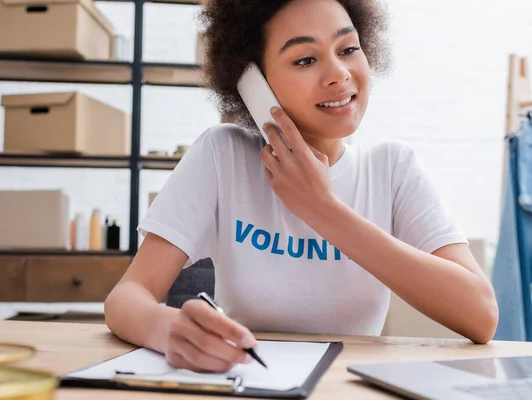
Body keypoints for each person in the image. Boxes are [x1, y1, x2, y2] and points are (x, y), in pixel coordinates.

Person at [104, 0, 499, 373]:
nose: (339, 74)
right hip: (250, 381)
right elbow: (126, 297)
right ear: (251, 81)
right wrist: (166, 328)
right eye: (305, 59)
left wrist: (323, 209)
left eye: (348, 49)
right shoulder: (223, 156)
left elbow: (481, 316)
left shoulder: (392, 169)